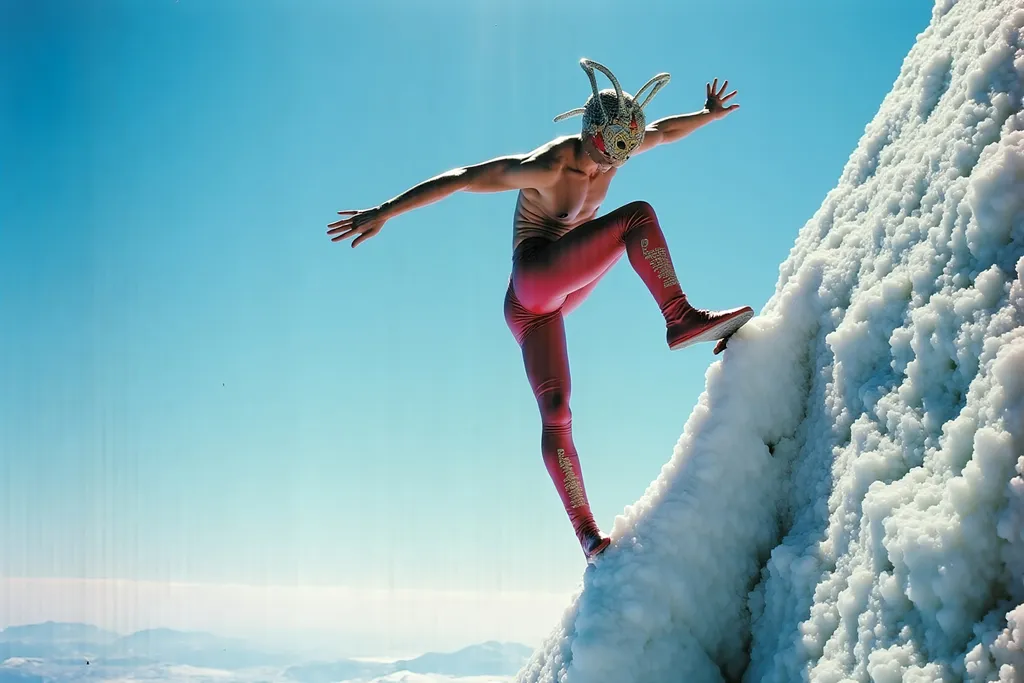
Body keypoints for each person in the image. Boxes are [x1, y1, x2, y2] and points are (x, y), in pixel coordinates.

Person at [326, 58, 754, 562]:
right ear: (589, 134)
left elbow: (662, 130)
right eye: (606, 151)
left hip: (557, 298)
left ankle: (589, 539)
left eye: (623, 152)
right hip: (533, 285)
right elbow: (464, 177)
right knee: (635, 219)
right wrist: (385, 212)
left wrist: (707, 114)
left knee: (557, 412)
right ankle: (677, 319)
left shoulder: (619, 147)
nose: (612, 163)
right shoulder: (551, 164)